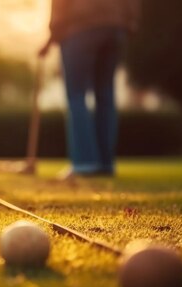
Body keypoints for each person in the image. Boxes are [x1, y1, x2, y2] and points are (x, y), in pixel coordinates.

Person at [39, 0, 141, 179]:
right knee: (105, 95)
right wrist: (129, 21)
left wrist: (53, 34)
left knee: (76, 95)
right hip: (115, 27)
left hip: (80, 26)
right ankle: (105, 163)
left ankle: (84, 163)